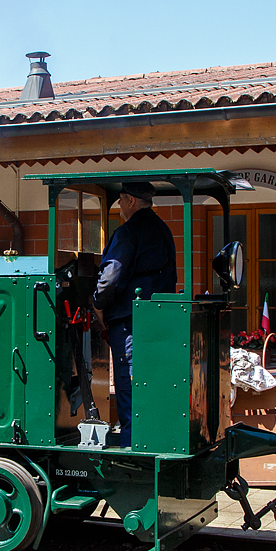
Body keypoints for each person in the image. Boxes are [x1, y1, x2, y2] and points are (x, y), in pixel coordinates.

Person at [92, 180, 176, 447]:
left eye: (120, 200)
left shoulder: (129, 231)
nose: (119, 206)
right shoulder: (163, 229)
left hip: (131, 322)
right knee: (151, 383)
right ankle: (152, 440)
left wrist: (97, 303)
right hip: (157, 320)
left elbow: (110, 277)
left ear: (130, 201)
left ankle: (132, 447)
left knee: (130, 383)